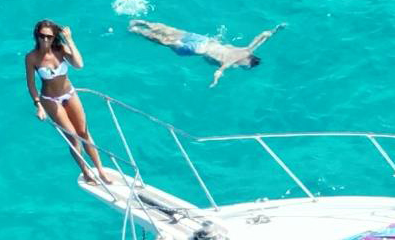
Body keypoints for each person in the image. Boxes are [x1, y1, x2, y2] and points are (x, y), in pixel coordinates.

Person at [25, 20, 105, 184]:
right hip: (50, 99)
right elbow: (31, 84)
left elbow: (79, 64)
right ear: (37, 36)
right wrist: (38, 105)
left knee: (84, 133)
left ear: (54, 37)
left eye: (49, 36)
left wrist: (69, 39)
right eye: (42, 36)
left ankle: (101, 170)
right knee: (73, 138)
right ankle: (85, 171)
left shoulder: (60, 50)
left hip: (69, 93)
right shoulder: (31, 57)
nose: (45, 39)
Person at [129, 20, 284, 87]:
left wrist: (274, 30)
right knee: (165, 42)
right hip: (199, 50)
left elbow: (262, 37)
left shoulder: (247, 50)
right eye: (246, 66)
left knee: (172, 31)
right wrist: (215, 81)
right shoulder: (231, 62)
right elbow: (219, 71)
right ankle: (137, 31)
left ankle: (142, 22)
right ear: (248, 62)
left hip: (205, 40)